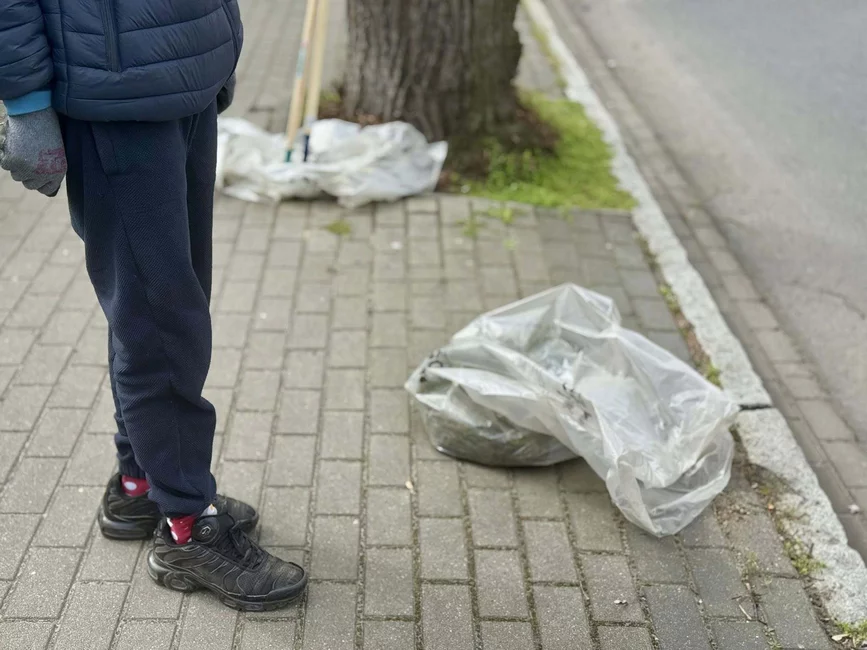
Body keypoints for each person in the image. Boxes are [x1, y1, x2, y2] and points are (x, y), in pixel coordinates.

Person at [0, 0, 307, 610]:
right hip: (111, 91)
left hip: (177, 72)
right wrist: (26, 104)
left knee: (165, 302)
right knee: (161, 323)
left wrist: (217, 45)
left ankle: (142, 483)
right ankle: (187, 526)